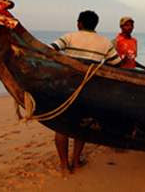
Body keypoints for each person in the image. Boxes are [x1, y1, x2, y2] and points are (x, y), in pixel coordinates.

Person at [50, 10, 120, 177]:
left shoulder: (69, 37)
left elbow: (49, 51)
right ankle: (76, 161)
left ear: (80, 23)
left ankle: (65, 167)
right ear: (95, 25)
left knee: (61, 128)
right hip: (89, 90)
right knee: (79, 127)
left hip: (66, 88)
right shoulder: (105, 43)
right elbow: (116, 64)